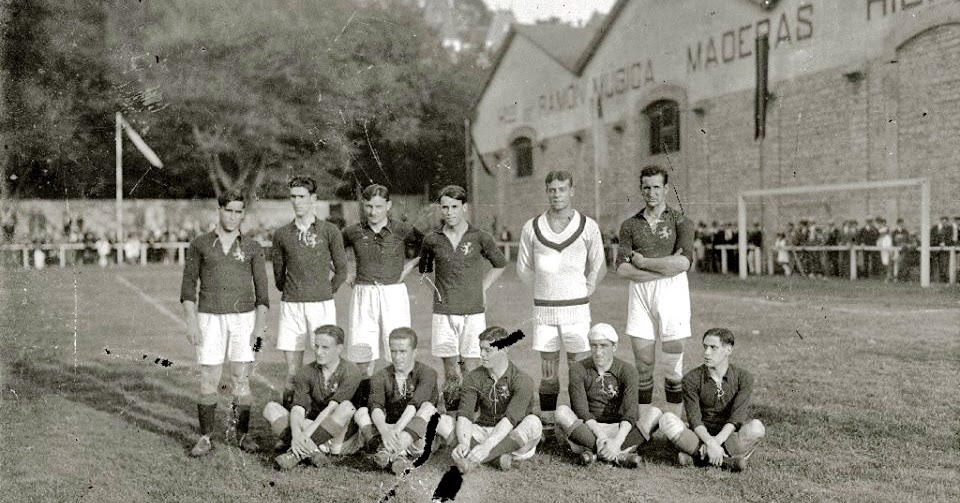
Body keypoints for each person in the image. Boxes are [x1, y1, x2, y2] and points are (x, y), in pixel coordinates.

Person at [179, 190, 270, 457]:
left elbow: (263, 293)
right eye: (228, 210)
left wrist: (259, 327)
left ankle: (242, 435)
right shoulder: (200, 244)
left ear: (243, 214)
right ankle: (206, 437)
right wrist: (192, 323)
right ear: (219, 210)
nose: (233, 216)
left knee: (241, 379)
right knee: (209, 378)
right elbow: (187, 289)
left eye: (238, 212)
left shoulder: (252, 247)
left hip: (244, 319)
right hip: (209, 317)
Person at [516, 170, 606, 428]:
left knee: (578, 369)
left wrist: (584, 289)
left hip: (576, 311)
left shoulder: (588, 226)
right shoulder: (532, 227)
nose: (556, 195)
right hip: (545, 310)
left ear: (572, 191)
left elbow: (599, 265)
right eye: (552, 190)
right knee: (548, 368)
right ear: (547, 192)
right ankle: (548, 422)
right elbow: (523, 268)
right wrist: (546, 288)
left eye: (562, 189)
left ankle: (582, 421)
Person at [615, 165, 694, 419]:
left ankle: (673, 424)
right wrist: (665, 267)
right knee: (644, 366)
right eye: (646, 187)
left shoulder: (681, 221)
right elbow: (622, 269)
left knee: (672, 369)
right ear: (641, 189)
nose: (651, 192)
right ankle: (643, 426)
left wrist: (644, 262)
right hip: (640, 295)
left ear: (666, 189)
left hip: (673, 295)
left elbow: (684, 264)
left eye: (656, 187)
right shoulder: (629, 225)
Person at [419, 185, 506, 410]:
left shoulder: (479, 237)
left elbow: (500, 264)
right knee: (450, 370)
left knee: (473, 365)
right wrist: (439, 292)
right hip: (444, 313)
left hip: (473, 311)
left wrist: (482, 288)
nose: (449, 212)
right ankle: (452, 416)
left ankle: (473, 416)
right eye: (445, 207)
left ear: (464, 208)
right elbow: (425, 272)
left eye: (454, 207)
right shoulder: (432, 239)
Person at [272, 176, 348, 410]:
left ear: (313, 198)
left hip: (321, 305)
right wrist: (296, 291)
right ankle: (288, 427)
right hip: (292, 306)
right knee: (293, 371)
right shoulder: (282, 234)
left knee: (325, 366)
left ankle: (320, 418)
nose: (297, 201)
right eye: (293, 196)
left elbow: (342, 270)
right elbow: (278, 277)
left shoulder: (329, 231)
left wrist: (326, 291)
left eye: (302, 196)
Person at [341, 184, 424, 374]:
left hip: (393, 292)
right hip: (364, 292)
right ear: (363, 205)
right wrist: (344, 273)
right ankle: (366, 392)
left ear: (388, 205)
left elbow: (429, 246)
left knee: (398, 345)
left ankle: (398, 393)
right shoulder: (353, 231)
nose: (373, 212)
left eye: (378, 207)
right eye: (369, 206)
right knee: (362, 347)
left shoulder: (402, 229)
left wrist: (409, 266)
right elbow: (329, 250)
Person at [659, 328, 766, 472]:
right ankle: (727, 461)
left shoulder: (744, 377)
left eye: (713, 348)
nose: (706, 353)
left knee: (757, 428)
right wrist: (709, 441)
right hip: (700, 436)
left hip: (728, 437)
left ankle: (697, 458)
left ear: (728, 350)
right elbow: (694, 419)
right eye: (705, 347)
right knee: (666, 419)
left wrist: (716, 442)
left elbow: (737, 417)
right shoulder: (692, 379)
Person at [555, 323, 660, 468]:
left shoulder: (627, 370)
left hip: (619, 429)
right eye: (594, 346)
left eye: (604, 346)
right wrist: (602, 436)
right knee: (561, 412)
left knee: (655, 413)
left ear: (614, 347)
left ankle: (593, 452)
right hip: (590, 428)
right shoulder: (577, 369)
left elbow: (630, 413)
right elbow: (581, 411)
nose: (598, 352)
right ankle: (619, 456)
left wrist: (616, 441)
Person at [445, 326, 543, 472]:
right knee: (443, 421)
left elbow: (511, 419)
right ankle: (495, 459)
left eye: (488, 350)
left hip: (513, 437)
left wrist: (486, 447)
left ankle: (477, 458)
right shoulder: (472, 377)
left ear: (504, 349)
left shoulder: (523, 380)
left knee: (534, 423)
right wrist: (464, 443)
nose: (482, 355)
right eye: (481, 349)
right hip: (484, 431)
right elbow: (465, 415)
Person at [264, 325, 363, 469]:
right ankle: (313, 452)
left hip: (340, 437)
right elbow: (298, 408)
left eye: (325, 347)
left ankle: (300, 452)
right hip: (314, 429)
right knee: (270, 408)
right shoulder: (306, 371)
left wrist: (305, 435)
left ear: (339, 348)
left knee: (346, 407)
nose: (318, 352)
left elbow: (331, 409)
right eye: (316, 346)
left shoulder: (351, 370)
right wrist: (298, 434)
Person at [353, 327, 439, 474]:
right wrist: (384, 430)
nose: (397, 357)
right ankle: (398, 457)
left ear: (414, 352)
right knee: (361, 412)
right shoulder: (380, 376)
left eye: (403, 352)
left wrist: (396, 430)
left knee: (428, 408)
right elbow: (376, 406)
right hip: (388, 433)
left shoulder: (428, 373)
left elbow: (415, 404)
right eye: (393, 351)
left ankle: (388, 452)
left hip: (415, 435)